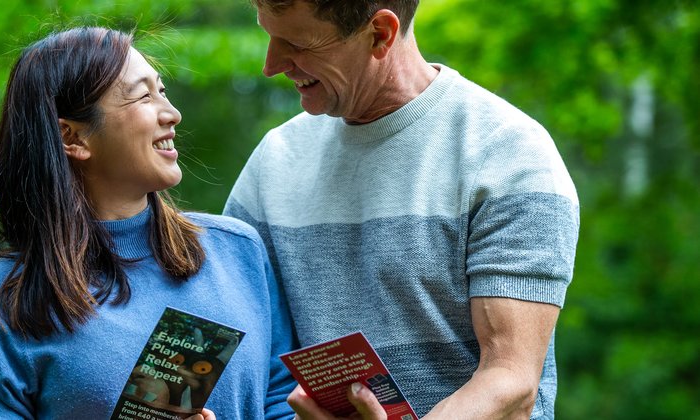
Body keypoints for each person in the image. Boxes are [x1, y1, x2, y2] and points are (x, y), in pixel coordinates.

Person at [223, 1, 579, 419]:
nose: (271, 64)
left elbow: (512, 383)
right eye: (269, 35)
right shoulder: (274, 162)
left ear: (380, 34)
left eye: (297, 43)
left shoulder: (506, 154)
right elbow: (241, 352)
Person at [0, 27, 296, 419]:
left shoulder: (238, 251)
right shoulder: (2, 300)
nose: (171, 113)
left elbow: (282, 402)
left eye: (162, 91)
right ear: (71, 137)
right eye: (143, 95)